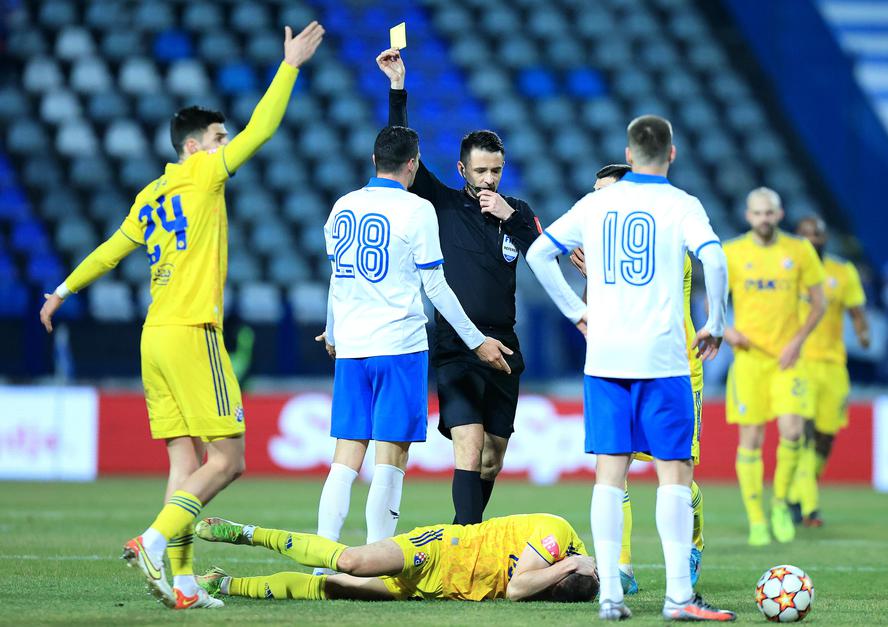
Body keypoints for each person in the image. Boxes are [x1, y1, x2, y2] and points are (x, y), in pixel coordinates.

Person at [37, 21, 328, 610]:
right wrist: (290, 66)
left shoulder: (150, 194)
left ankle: (186, 585)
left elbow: (111, 251)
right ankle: (152, 540)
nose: (228, 143)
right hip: (194, 332)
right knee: (230, 460)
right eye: (220, 136)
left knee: (184, 463)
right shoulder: (204, 173)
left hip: (154, 340)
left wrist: (62, 290)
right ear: (195, 146)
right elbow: (265, 128)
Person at [526, 116, 735, 621]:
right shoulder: (681, 204)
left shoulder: (595, 204)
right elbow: (716, 259)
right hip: (664, 359)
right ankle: (678, 598)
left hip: (605, 359)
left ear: (628, 150)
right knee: (675, 474)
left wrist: (577, 313)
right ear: (672, 153)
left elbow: (537, 254)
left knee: (609, 477)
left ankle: (610, 598)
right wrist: (716, 321)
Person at [311, 126, 512, 563]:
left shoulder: (343, 207)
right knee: (391, 455)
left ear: (373, 160)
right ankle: (375, 562)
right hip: (398, 344)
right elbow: (436, 287)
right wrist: (477, 341)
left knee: (345, 456)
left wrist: (332, 328)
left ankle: (322, 557)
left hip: (351, 347)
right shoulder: (417, 209)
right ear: (413, 163)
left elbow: (337, 278)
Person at [375, 48, 541, 525]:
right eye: (481, 170)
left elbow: (543, 257)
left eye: (496, 170)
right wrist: (397, 89)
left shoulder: (517, 212)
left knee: (493, 456)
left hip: (505, 345)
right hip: (458, 342)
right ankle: (465, 547)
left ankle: (462, 534)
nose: (489, 178)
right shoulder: (441, 204)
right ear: (462, 171)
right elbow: (401, 151)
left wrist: (515, 220)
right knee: (467, 445)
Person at [569, 164, 706, 596]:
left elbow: (645, 293)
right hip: (619, 368)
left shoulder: (664, 238)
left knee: (678, 474)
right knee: (614, 470)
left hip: (674, 370)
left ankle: (694, 541)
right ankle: (622, 567)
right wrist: (595, 278)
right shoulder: (607, 243)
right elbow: (597, 310)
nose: (596, 201)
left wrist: (603, 269)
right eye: (592, 193)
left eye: (603, 192)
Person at [722, 188, 826, 546]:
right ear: (748, 216)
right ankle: (756, 519)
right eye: (757, 213)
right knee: (750, 440)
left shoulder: (799, 251)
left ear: (780, 214)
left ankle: (780, 503)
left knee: (793, 431)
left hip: (788, 359)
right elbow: (713, 299)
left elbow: (819, 304)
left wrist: (796, 342)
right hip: (749, 361)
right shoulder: (732, 252)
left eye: (769, 212)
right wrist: (727, 329)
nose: (763, 219)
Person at [192, 513, 598, 603]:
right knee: (350, 562)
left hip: (442, 589)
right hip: (438, 549)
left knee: (334, 589)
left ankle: (224, 583)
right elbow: (516, 589)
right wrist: (570, 564)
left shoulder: (561, 577)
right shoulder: (558, 534)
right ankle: (244, 533)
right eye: (557, 578)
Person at [788, 216, 869, 526]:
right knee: (805, 435)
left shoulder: (842, 272)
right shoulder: (788, 271)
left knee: (825, 438)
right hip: (800, 363)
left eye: (818, 234)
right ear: (797, 238)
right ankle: (808, 507)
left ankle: (798, 491)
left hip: (833, 366)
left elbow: (857, 312)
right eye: (805, 234)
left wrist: (863, 332)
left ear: (825, 238)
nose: (813, 239)